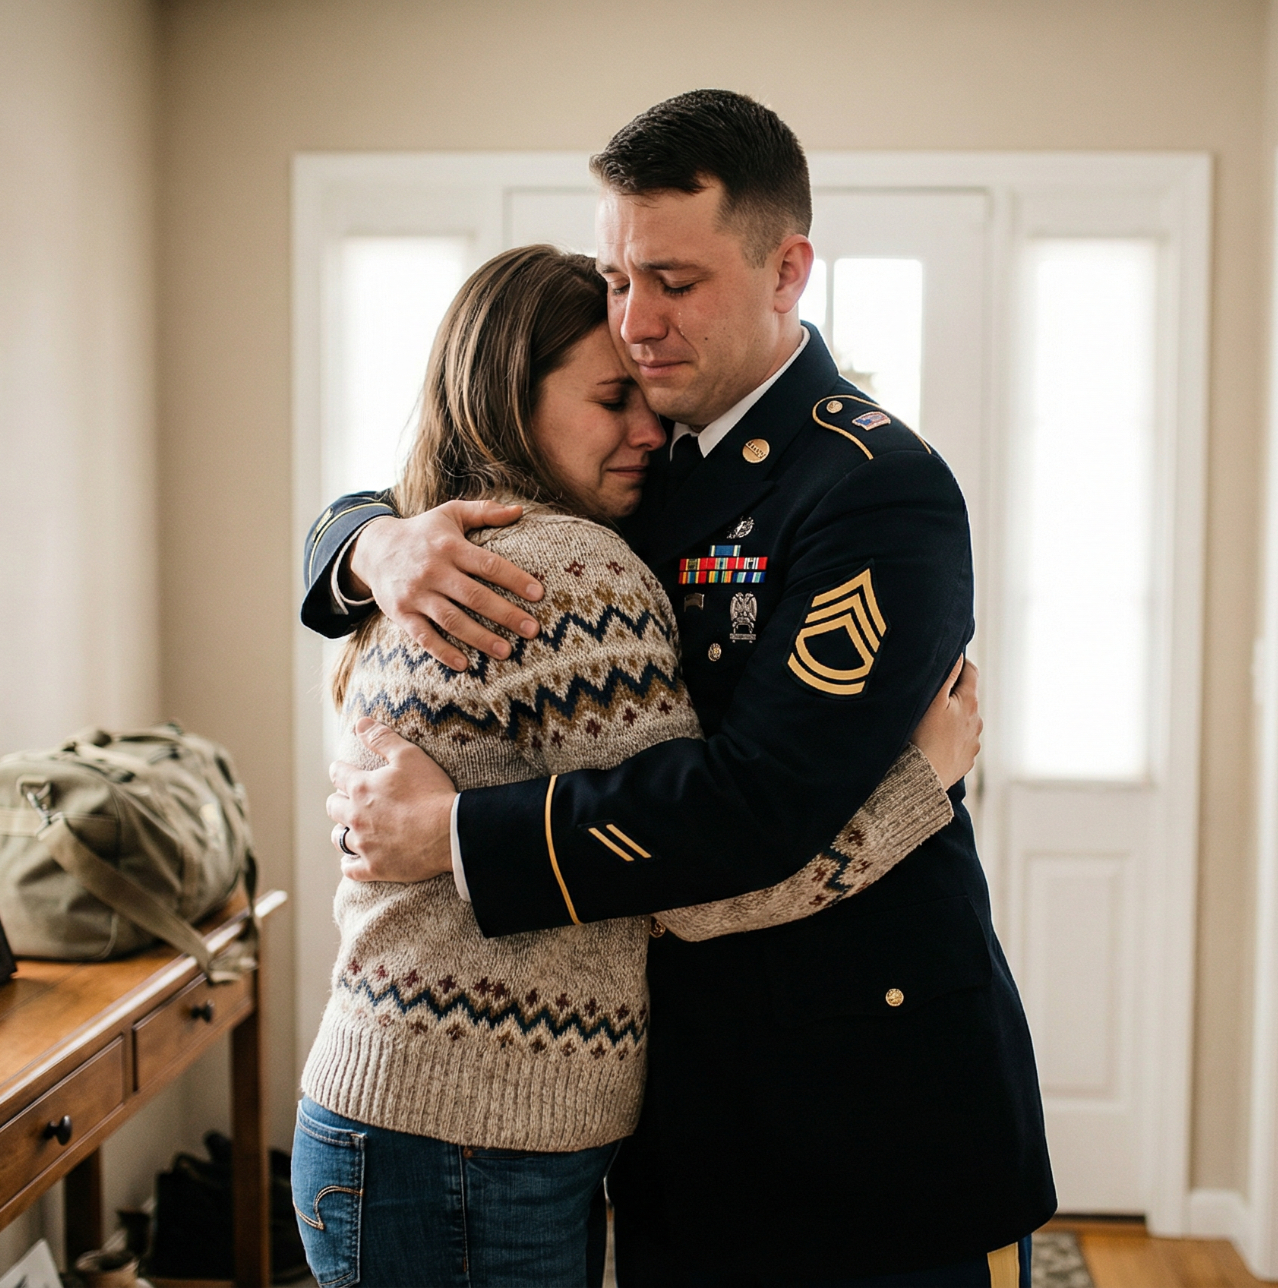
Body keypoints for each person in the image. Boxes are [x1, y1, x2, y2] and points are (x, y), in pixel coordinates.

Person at [307, 91, 1055, 1285]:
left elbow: (752, 805)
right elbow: (464, 444)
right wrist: (364, 543)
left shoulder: (871, 486)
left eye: (674, 279)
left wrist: (454, 832)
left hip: (854, 1093)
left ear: (786, 270)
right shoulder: (641, 464)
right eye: (617, 279)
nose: (637, 321)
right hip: (677, 1103)